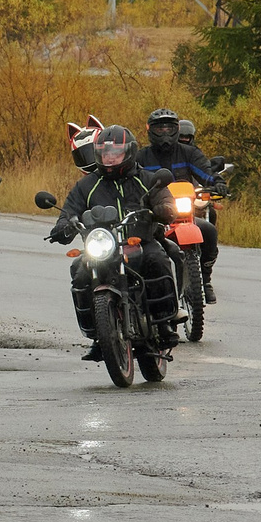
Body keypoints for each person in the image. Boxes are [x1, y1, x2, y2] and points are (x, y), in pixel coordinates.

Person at [47, 124, 176, 358]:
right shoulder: (87, 184)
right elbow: (70, 210)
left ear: (129, 152)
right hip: (102, 246)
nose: (109, 159)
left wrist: (163, 207)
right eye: (105, 154)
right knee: (80, 271)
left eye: (115, 154)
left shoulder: (146, 178)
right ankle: (99, 336)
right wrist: (63, 226)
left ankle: (164, 322)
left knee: (157, 259)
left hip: (139, 240)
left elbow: (166, 200)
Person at [139, 106, 221, 295]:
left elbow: (205, 171)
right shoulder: (141, 157)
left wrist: (218, 183)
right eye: (160, 129)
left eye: (169, 128)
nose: (165, 133)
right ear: (150, 130)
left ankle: (205, 281)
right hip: (155, 216)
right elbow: (132, 180)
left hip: (184, 214)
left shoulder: (188, 153)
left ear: (177, 129)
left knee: (208, 231)